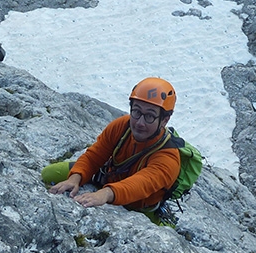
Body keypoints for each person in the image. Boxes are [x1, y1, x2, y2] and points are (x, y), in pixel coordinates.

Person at [43, 77, 182, 214]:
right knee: (48, 173)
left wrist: (106, 194)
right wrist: (75, 178)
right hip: (106, 178)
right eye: (136, 111)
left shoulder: (168, 158)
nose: (140, 122)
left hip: (137, 206)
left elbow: (139, 185)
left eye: (150, 116)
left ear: (164, 120)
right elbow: (95, 156)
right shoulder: (122, 126)